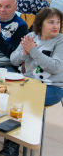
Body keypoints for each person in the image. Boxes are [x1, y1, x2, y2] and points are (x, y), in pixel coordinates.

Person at [8, 8, 63, 156]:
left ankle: (15, 143)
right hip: (28, 83)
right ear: (40, 24)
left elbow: (56, 67)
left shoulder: (60, 40)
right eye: (51, 22)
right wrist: (24, 53)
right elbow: (13, 59)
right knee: (7, 93)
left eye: (58, 22)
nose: (55, 25)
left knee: (22, 101)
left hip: (52, 87)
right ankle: (12, 137)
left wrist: (33, 51)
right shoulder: (31, 36)